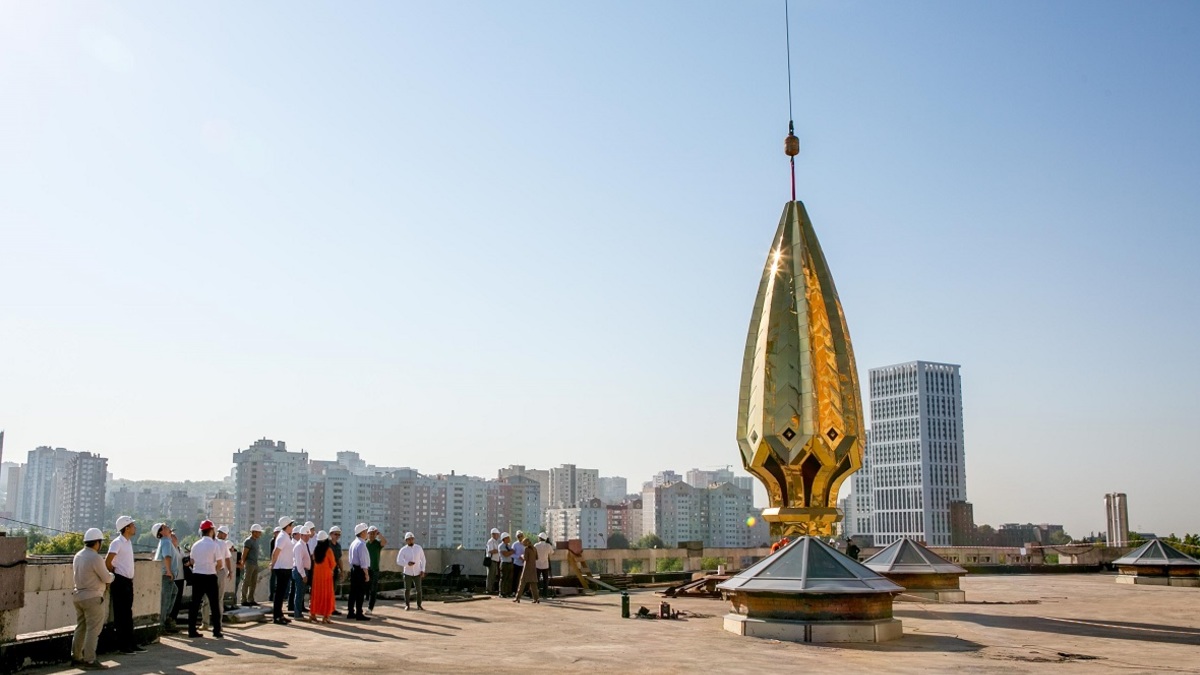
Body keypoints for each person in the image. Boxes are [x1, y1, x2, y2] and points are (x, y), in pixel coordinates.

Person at [72, 527, 114, 670]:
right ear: (97, 543)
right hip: (93, 597)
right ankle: (90, 659)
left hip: (78, 595)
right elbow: (106, 577)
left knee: (81, 627)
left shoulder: (78, 555)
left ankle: (76, 657)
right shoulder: (95, 557)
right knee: (93, 629)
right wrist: (112, 576)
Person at [105, 515, 143, 654]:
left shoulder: (127, 542)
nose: (135, 527)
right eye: (132, 525)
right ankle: (123, 646)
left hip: (128, 581)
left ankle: (131, 643)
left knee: (127, 613)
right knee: (121, 614)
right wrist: (114, 573)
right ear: (126, 528)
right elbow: (108, 561)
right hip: (120, 581)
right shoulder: (117, 542)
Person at [188, 520, 225, 639]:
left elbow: (192, 561)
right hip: (210, 576)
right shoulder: (215, 545)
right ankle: (216, 630)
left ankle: (191, 630)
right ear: (211, 530)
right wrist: (212, 567)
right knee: (214, 604)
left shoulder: (195, 545)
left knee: (195, 604)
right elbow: (220, 564)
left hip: (197, 575)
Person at [153, 523, 181, 634]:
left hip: (166, 574)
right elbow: (167, 556)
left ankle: (166, 619)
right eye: (165, 527)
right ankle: (162, 624)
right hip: (166, 574)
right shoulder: (165, 541)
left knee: (174, 592)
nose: (168, 528)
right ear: (160, 532)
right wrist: (169, 571)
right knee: (165, 600)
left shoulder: (166, 541)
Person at [270, 516, 296, 625]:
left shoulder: (285, 536)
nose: (292, 527)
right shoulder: (282, 537)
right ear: (287, 526)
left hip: (286, 568)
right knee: (279, 594)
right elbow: (276, 551)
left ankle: (280, 614)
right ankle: (276, 616)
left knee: (281, 593)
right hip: (282, 568)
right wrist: (272, 563)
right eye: (291, 525)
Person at [309, 530, 336, 624]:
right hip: (326, 576)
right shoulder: (328, 551)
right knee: (327, 595)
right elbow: (332, 563)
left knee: (316, 595)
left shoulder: (315, 550)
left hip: (317, 576)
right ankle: (326, 616)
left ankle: (312, 614)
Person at [396, 531, 426, 611]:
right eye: (408, 539)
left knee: (419, 590)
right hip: (407, 573)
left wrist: (422, 570)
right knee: (407, 590)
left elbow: (423, 559)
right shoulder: (403, 550)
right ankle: (407, 605)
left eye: (412, 539)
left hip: (417, 572)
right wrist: (407, 564)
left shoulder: (418, 548)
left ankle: (419, 605)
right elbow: (398, 561)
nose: (410, 541)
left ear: (414, 539)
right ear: (406, 541)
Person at [347, 523, 371, 621]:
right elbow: (363, 561)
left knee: (353, 592)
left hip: (354, 569)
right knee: (360, 592)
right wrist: (366, 574)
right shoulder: (361, 544)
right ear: (362, 533)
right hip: (359, 570)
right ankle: (359, 613)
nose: (367, 533)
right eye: (366, 531)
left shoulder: (354, 543)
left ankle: (351, 612)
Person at [292, 526, 313, 620]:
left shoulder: (304, 545)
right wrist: (303, 575)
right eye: (306, 535)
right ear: (301, 535)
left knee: (301, 593)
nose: (307, 537)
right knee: (299, 593)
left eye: (308, 535)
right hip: (300, 571)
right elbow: (299, 562)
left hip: (303, 571)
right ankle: (297, 613)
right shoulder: (299, 546)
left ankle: (299, 612)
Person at [241, 524, 264, 607]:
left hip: (255, 563)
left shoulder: (256, 541)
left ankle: (251, 599)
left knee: (253, 582)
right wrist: (243, 562)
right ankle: (243, 599)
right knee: (246, 581)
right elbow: (244, 553)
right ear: (254, 532)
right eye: (258, 532)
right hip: (249, 563)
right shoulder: (248, 541)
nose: (260, 534)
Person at [513, 533, 540, 604]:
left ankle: (517, 598)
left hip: (526, 569)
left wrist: (522, 555)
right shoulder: (534, 548)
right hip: (533, 568)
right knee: (534, 585)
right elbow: (537, 558)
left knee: (522, 584)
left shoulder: (526, 549)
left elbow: (525, 558)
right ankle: (536, 598)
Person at [365, 526, 387, 613]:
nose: (372, 535)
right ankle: (365, 601)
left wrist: (379, 534)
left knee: (373, 589)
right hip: (366, 569)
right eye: (371, 533)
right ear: (368, 534)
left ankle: (370, 607)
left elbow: (384, 542)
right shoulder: (365, 544)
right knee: (366, 588)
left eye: (374, 534)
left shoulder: (377, 544)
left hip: (375, 569)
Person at [168, 532, 187, 628]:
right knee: (172, 600)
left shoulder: (180, 549)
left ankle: (173, 619)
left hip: (181, 577)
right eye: (172, 536)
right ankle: (170, 619)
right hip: (174, 578)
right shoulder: (170, 549)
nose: (175, 537)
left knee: (178, 600)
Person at [216, 526, 236, 611]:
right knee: (220, 595)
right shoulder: (223, 544)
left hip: (208, 571)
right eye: (225, 535)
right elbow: (227, 558)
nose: (226, 537)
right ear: (222, 534)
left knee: (208, 596)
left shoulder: (211, 541)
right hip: (220, 571)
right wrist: (230, 571)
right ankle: (218, 613)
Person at [328, 526, 343, 616]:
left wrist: (342, 570)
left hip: (335, 570)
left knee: (333, 590)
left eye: (339, 534)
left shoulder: (338, 546)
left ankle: (332, 608)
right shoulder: (327, 545)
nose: (337, 536)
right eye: (335, 534)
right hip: (327, 571)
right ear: (331, 534)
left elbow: (339, 559)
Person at [533, 533, 554, 597]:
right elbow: (552, 553)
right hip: (545, 565)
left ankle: (536, 594)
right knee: (545, 580)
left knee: (537, 580)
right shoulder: (548, 546)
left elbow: (533, 553)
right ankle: (545, 594)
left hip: (537, 565)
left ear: (539, 538)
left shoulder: (536, 545)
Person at [484, 528, 502, 595]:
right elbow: (490, 550)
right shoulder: (490, 541)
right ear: (493, 534)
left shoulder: (495, 542)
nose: (498, 536)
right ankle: (488, 589)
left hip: (495, 560)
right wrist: (498, 550)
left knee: (493, 575)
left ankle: (491, 588)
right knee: (490, 575)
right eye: (497, 534)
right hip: (491, 560)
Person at [498, 532, 514, 598]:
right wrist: (511, 552)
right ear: (504, 539)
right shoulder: (501, 546)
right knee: (503, 578)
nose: (509, 539)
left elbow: (511, 552)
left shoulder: (508, 546)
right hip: (504, 563)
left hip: (510, 563)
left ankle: (508, 591)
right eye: (508, 538)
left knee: (509, 578)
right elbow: (506, 554)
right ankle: (502, 592)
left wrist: (510, 552)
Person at [268, 526, 281, 603]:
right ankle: (271, 595)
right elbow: (273, 553)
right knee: (272, 579)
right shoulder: (273, 541)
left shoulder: (280, 540)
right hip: (275, 562)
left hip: (280, 563)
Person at [512, 530, 527, 598]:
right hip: (517, 563)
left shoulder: (526, 544)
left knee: (524, 579)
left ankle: (523, 592)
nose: (520, 537)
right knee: (515, 578)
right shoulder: (515, 544)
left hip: (524, 564)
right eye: (518, 536)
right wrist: (519, 557)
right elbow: (512, 554)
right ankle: (514, 591)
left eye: (521, 536)